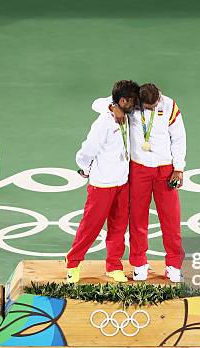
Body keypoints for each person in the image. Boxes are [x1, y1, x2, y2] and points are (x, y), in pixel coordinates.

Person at [92, 83, 186, 283]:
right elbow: (96, 104)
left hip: (165, 170)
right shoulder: (134, 104)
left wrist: (179, 168)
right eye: (146, 106)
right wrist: (113, 107)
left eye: (153, 106)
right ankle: (139, 264)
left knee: (171, 221)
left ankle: (174, 265)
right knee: (138, 220)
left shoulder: (170, 106)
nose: (149, 109)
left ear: (159, 98)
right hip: (139, 169)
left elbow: (179, 138)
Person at [66, 80, 139, 283]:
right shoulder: (102, 124)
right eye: (132, 101)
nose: (136, 105)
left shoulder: (126, 113)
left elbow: (101, 101)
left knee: (118, 226)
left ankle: (114, 265)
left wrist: (112, 107)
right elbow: (87, 150)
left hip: (122, 182)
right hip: (102, 184)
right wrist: (85, 168)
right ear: (122, 100)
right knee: (91, 226)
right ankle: (73, 263)